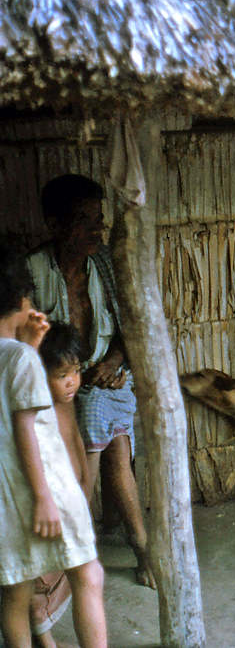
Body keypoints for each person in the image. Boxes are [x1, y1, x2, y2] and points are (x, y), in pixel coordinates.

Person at [26, 173, 155, 589]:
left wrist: (114, 362)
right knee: (107, 439)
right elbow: (22, 348)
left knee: (104, 421)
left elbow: (130, 328)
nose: (97, 229)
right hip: (54, 389)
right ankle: (139, 547)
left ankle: (86, 548)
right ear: (55, 225)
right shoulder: (33, 272)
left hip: (105, 379)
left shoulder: (104, 266)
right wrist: (64, 379)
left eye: (99, 219)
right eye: (84, 220)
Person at [0, 248, 108, 648]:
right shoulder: (23, 360)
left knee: (16, 591)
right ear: (22, 299)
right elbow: (25, 430)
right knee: (89, 575)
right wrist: (44, 497)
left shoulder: (16, 355)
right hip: (44, 489)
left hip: (6, 497)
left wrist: (30, 345)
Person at [30, 322, 90, 646]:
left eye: (76, 371)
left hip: (72, 503)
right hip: (50, 511)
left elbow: (76, 444)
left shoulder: (67, 404)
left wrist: (85, 485)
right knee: (39, 583)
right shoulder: (35, 415)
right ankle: (44, 639)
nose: (72, 382)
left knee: (74, 574)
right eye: (62, 375)